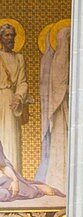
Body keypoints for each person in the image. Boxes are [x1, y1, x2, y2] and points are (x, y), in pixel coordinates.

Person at [36, 22, 70, 192]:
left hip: (66, 110)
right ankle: (59, 180)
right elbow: (60, 86)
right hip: (61, 112)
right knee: (61, 143)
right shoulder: (60, 59)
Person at [0, 22, 28, 175]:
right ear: (1, 38)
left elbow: (22, 82)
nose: (10, 38)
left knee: (10, 135)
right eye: (7, 35)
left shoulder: (19, 58)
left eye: (12, 35)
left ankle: (14, 177)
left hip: (12, 102)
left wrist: (18, 96)